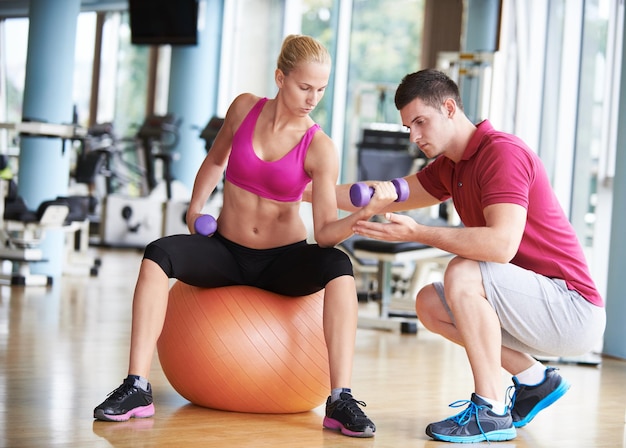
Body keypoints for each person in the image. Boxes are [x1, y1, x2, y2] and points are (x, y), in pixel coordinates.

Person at [93, 35, 383, 438]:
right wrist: (195, 209)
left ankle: (340, 398)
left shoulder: (320, 147)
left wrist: (360, 217)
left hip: (283, 261)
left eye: (321, 89)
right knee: (158, 254)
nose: (312, 97)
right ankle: (137, 387)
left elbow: (325, 234)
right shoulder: (244, 108)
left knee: (338, 264)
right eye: (304, 87)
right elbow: (215, 161)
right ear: (281, 77)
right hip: (227, 252)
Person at [337, 69, 606, 443]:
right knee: (430, 303)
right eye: (408, 127)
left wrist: (418, 233)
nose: (414, 136)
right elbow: (384, 193)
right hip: (533, 302)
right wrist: (296, 191)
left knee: (463, 272)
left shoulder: (501, 153)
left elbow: (500, 246)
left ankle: (491, 409)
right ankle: (534, 379)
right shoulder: (452, 166)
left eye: (420, 122)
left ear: (449, 107)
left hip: (571, 309)